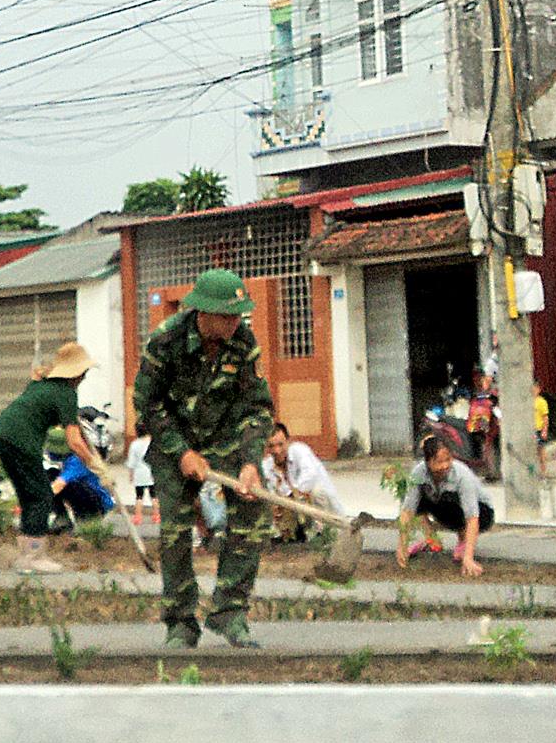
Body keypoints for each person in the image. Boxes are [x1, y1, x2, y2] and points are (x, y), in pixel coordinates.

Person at [133, 268, 274, 648]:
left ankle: (230, 612)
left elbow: (257, 408)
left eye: (239, 315)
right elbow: (147, 403)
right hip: (172, 440)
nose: (235, 323)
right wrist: (181, 452)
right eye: (228, 316)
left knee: (254, 516)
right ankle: (180, 622)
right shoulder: (166, 341)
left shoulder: (244, 343)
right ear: (203, 312)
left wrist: (249, 461)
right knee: (176, 531)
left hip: (226, 441)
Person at [0, 341, 109, 573]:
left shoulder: (42, 385)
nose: (83, 377)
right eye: (83, 373)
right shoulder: (65, 393)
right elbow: (74, 441)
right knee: (42, 495)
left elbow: (65, 422)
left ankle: (26, 555)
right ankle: (33, 556)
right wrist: (96, 466)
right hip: (21, 441)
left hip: (2, 435)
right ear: (76, 373)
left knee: (28, 495)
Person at [395, 434, 491, 578]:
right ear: (427, 462)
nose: (445, 466)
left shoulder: (461, 475)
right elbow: (407, 511)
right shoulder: (418, 473)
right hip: (444, 508)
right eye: (439, 462)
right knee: (412, 497)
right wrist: (402, 546)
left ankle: (463, 539)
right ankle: (431, 538)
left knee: (449, 497)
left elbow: (472, 517)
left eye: (448, 460)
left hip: (481, 512)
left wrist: (469, 558)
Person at [262, 422, 344, 541]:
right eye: (271, 446)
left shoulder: (300, 450)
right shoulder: (267, 466)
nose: (277, 450)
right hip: (294, 513)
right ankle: (292, 535)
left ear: (288, 442)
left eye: (280, 444)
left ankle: (324, 533)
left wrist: (289, 496)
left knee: (317, 491)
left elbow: (309, 477)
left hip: (319, 510)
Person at [50, 444, 117, 522]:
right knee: (51, 473)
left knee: (69, 485)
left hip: (98, 503)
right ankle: (62, 518)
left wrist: (38, 501)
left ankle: (87, 518)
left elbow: (58, 486)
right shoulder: (69, 460)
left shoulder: (77, 460)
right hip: (90, 496)